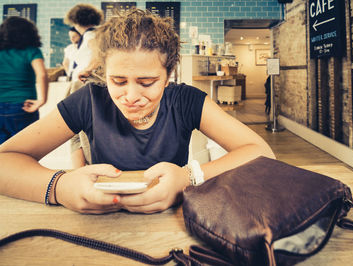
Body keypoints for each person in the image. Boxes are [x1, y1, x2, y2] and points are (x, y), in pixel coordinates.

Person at [0, 8, 275, 214]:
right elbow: (5, 162)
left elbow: (261, 152)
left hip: (174, 225)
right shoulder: (89, 100)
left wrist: (187, 177)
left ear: (168, 76)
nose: (131, 97)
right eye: (117, 81)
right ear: (103, 74)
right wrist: (60, 187)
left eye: (147, 83)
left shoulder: (186, 101)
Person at [63, 4, 104, 167]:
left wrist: (87, 70)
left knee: (79, 131)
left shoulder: (90, 36)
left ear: (76, 21)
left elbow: (98, 55)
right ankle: (80, 170)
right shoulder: (91, 35)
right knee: (76, 131)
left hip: (84, 85)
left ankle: (82, 169)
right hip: (81, 84)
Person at [0, 16, 48, 144]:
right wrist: (42, 100)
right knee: (25, 152)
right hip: (23, 107)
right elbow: (42, 74)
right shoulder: (32, 51)